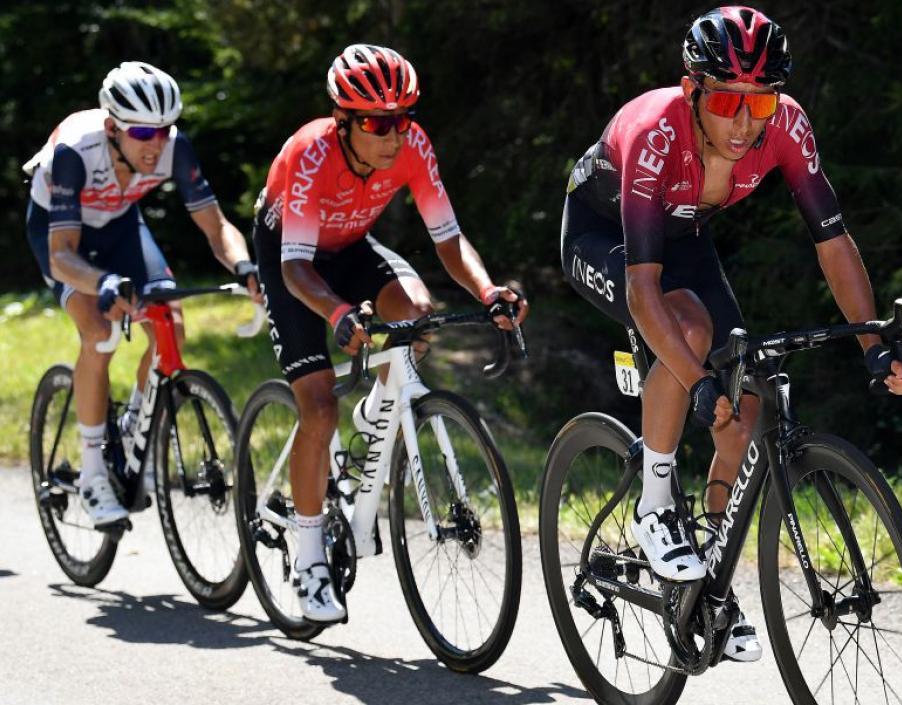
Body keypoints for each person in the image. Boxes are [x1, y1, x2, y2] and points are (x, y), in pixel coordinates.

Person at [559, 6, 902, 662]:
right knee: (688, 329)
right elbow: (644, 292)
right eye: (727, 100)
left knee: (745, 410)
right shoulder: (654, 132)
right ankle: (657, 503)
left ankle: (710, 592)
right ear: (693, 90)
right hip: (602, 234)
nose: (746, 121)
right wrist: (695, 380)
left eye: (763, 101)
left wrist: (873, 344)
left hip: (686, 231)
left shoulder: (786, 126)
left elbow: (833, 242)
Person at [253, 44, 527, 623]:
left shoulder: (414, 147)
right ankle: (308, 559)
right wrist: (337, 315)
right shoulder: (310, 155)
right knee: (319, 407)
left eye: (401, 120)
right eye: (378, 124)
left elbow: (448, 241)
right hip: (292, 259)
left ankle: (376, 412)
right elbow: (296, 270)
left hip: (350, 246)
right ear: (343, 121)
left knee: (416, 313)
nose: (393, 136)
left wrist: (487, 292)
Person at [23, 61, 259, 528]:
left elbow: (216, 228)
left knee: (171, 321)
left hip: (118, 225)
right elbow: (62, 257)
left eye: (165, 131)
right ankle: (92, 473)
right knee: (101, 331)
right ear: (112, 128)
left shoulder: (174, 149)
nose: (157, 144)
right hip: (62, 235)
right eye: (143, 134)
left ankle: (134, 429)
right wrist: (104, 283)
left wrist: (245, 267)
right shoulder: (75, 151)